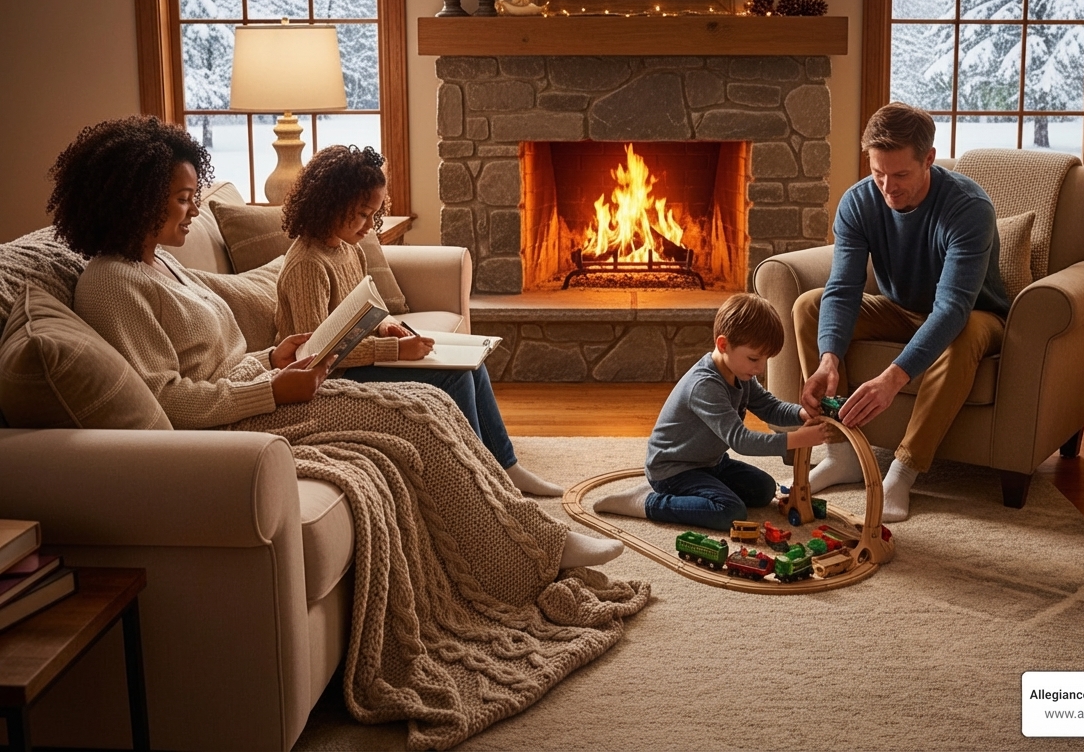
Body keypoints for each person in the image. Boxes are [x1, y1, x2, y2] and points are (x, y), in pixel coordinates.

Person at [47, 117, 622, 572]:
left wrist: (272, 357)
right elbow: (169, 401)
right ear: (132, 199)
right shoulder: (112, 284)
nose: (194, 209)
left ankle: (519, 526)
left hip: (262, 390)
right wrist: (273, 385)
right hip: (234, 426)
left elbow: (215, 362)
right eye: (181, 198)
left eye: (194, 195)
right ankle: (528, 547)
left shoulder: (160, 266)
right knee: (420, 410)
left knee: (430, 404)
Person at [273, 143, 562, 497]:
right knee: (450, 378)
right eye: (363, 214)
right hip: (329, 381)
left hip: (356, 363)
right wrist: (395, 349)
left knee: (472, 365)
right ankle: (480, 482)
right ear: (331, 204)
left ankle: (506, 466)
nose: (369, 226)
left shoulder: (348, 248)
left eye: (374, 215)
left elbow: (368, 305)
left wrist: (387, 326)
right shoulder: (308, 264)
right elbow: (316, 357)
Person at [794, 102, 1009, 522]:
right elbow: (843, 288)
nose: (888, 188)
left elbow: (951, 308)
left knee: (961, 329)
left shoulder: (969, 208)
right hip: (900, 309)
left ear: (928, 159)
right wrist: (829, 359)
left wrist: (892, 378)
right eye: (878, 173)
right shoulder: (859, 202)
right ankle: (840, 454)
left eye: (901, 175)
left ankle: (904, 470)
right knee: (810, 305)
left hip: (976, 315)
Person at [594, 293, 838, 531]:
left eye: (765, 360)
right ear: (723, 345)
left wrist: (802, 414)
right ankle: (646, 501)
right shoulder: (705, 386)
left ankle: (701, 488)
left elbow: (770, 407)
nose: (761, 368)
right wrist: (798, 439)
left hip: (711, 462)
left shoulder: (740, 373)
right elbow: (741, 441)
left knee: (764, 490)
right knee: (730, 512)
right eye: (754, 358)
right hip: (674, 469)